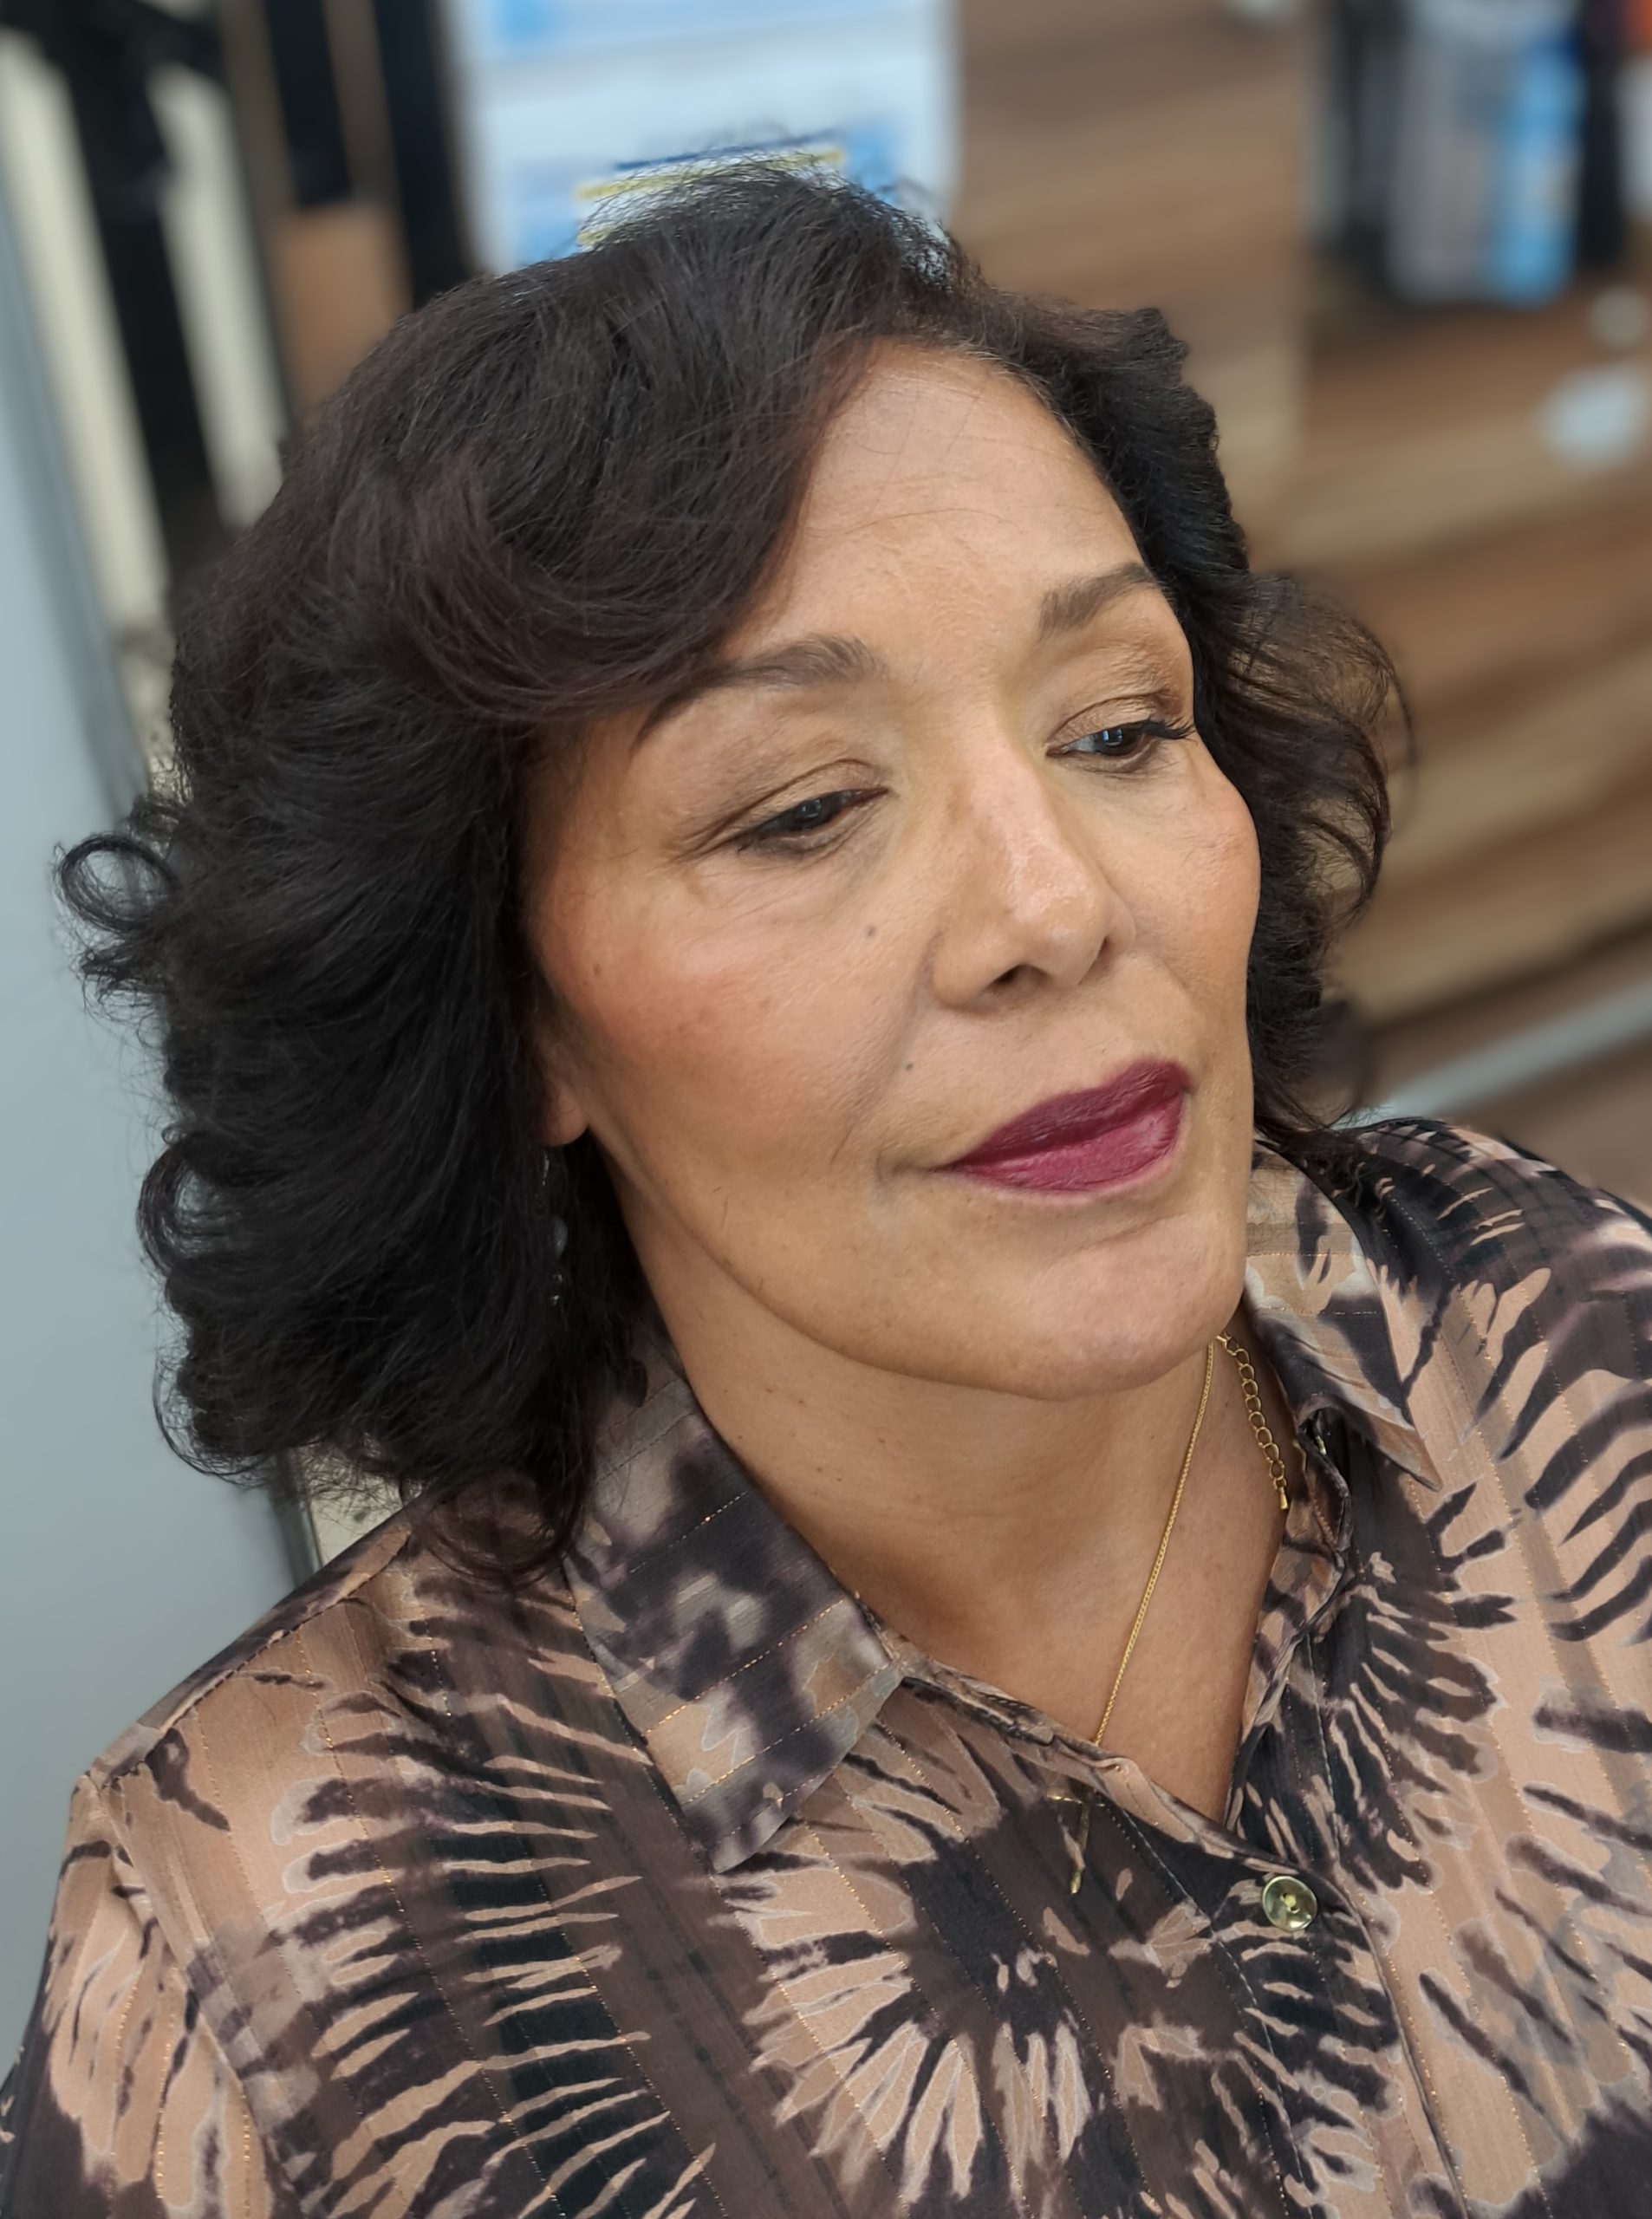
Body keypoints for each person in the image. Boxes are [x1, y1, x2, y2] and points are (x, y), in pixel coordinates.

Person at [3, 161, 1649, 2219]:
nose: (1053, 907)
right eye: (799, 809)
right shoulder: (255, 1971)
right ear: (516, 1012)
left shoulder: (1571, 1332)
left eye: (1116, 726)